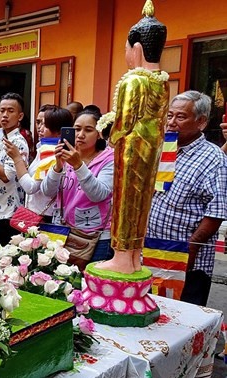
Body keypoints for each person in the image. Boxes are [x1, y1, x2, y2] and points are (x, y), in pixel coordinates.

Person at [95, 0, 170, 274]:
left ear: (137, 50)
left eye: (127, 49)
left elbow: (124, 123)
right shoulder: (162, 82)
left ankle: (123, 257)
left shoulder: (133, 81)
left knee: (126, 201)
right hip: (151, 151)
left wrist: (109, 134)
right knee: (142, 201)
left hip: (131, 151)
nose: (126, 55)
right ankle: (135, 255)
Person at [146, 91, 227, 306]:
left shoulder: (213, 158)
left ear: (201, 122)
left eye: (180, 117)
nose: (171, 123)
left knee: (181, 320)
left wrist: (189, 251)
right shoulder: (164, 148)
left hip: (187, 261)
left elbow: (215, 213)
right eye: (169, 115)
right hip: (152, 251)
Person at [41, 109, 115, 261]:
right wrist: (58, 166)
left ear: (99, 133)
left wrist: (78, 165)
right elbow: (47, 191)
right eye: (76, 129)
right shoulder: (67, 154)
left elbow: (98, 194)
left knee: (89, 281)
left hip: (97, 235)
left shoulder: (110, 159)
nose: (80, 135)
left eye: (88, 130)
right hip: (64, 230)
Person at [5, 106, 72, 224]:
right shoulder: (44, 148)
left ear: (58, 131)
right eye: (39, 123)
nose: (40, 128)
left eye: (45, 125)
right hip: (40, 213)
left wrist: (17, 159)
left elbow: (30, 187)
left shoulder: (51, 152)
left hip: (44, 216)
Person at [0, 92, 29, 246]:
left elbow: (6, 176)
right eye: (1, 110)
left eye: (10, 111)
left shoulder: (17, 142)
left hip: (10, 213)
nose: (4, 115)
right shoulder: (2, 141)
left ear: (20, 116)